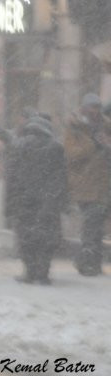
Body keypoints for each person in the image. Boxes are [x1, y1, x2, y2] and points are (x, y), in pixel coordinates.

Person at [6, 116, 67, 285]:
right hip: (48, 200)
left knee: (26, 237)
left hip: (24, 200)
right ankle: (43, 272)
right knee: (47, 237)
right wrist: (60, 199)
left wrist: (10, 202)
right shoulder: (56, 147)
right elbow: (61, 177)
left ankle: (29, 271)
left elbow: (11, 176)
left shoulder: (18, 146)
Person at [63, 93, 111, 276]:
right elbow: (71, 155)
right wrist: (93, 145)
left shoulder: (106, 127)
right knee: (92, 225)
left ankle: (94, 263)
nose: (95, 111)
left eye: (98, 107)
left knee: (96, 227)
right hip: (86, 185)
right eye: (92, 107)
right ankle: (85, 262)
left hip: (105, 185)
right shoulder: (74, 128)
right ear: (83, 108)